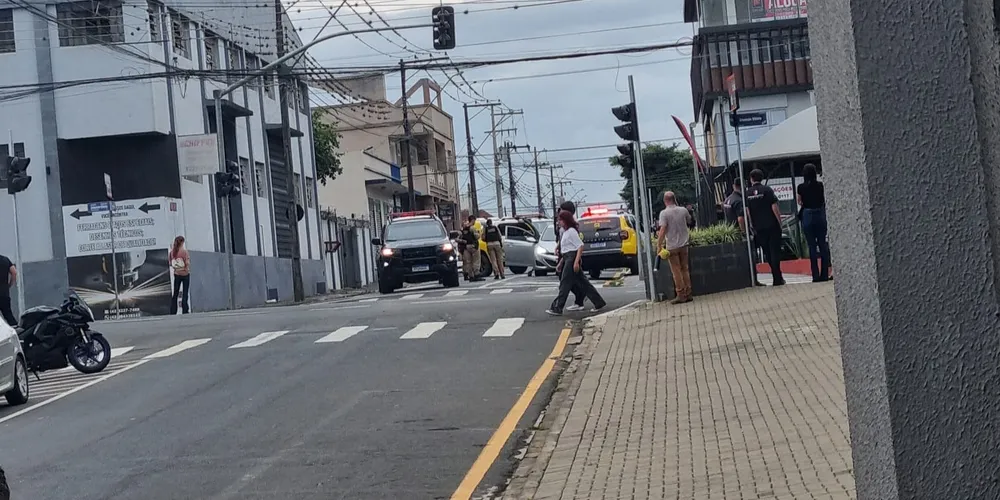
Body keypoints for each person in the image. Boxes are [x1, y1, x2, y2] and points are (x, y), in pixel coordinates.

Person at [546, 210, 606, 315]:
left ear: (566, 220)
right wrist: (560, 263)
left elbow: (580, 246)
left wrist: (576, 262)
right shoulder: (565, 232)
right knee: (583, 283)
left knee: (565, 284)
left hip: (571, 260)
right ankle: (598, 302)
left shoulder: (571, 232)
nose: (559, 222)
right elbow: (567, 249)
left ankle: (557, 307)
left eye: (560, 220)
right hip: (567, 258)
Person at [745, 169, 785, 286]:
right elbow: (774, 207)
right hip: (772, 225)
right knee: (774, 251)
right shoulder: (767, 190)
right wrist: (780, 223)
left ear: (751, 179)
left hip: (759, 227)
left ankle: (777, 276)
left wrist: (752, 225)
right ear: (761, 178)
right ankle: (777, 278)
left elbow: (748, 211)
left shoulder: (747, 193)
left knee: (767, 252)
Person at [723, 180, 764, 287]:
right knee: (749, 257)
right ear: (743, 186)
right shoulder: (739, 200)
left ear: (733, 185)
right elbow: (741, 218)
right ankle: (753, 280)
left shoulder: (728, 199)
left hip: (731, 231)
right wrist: (744, 233)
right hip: (739, 232)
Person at [657, 191, 694, 304]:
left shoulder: (664, 213)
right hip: (684, 244)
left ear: (665, 200)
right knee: (685, 269)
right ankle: (689, 293)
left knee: (676, 271)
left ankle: (681, 295)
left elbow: (663, 229)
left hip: (672, 246)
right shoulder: (683, 210)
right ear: (674, 199)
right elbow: (689, 220)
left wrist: (659, 244)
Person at [797, 163, 831, 282]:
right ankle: (824, 274)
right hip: (820, 215)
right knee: (822, 245)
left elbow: (799, 202)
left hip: (808, 215)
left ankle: (815, 275)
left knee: (811, 246)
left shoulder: (801, 187)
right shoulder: (820, 185)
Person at [553, 201, 586, 311]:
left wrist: (576, 260)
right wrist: (558, 247)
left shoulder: (570, 226)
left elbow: (579, 244)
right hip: (565, 255)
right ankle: (584, 298)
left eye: (562, 209)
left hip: (570, 256)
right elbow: (562, 238)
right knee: (577, 280)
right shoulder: (564, 224)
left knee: (566, 281)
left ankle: (559, 306)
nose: (560, 211)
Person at [168, 236, 191, 314]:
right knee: (185, 293)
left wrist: (177, 266)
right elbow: (187, 263)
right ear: (182, 242)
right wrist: (186, 268)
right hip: (185, 274)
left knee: (175, 293)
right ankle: (185, 309)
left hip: (177, 274)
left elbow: (170, 263)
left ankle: (173, 310)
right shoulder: (184, 252)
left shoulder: (172, 253)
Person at [458, 216, 482, 281]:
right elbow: (476, 236)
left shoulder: (463, 228)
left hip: (466, 247)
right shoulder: (472, 228)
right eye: (474, 220)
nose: (475, 222)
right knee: (476, 260)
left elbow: (460, 237)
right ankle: (476, 274)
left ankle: (471, 276)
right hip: (473, 246)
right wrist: (479, 233)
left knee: (468, 262)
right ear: (472, 220)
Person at [0, 254, 16, 326]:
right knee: (9, 316)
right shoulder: (5, 259)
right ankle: (17, 330)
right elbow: (14, 272)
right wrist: (9, 285)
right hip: (4, 294)